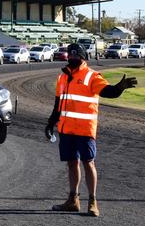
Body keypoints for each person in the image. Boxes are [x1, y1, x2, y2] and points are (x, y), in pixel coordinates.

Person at [45, 43, 137, 217]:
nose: (72, 59)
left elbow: (108, 91)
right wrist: (51, 123)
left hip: (85, 130)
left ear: (83, 58)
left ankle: (93, 202)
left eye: (76, 57)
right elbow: (58, 105)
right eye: (70, 56)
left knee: (88, 163)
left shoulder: (91, 76)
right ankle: (73, 200)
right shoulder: (62, 78)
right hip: (66, 129)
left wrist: (119, 88)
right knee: (72, 163)